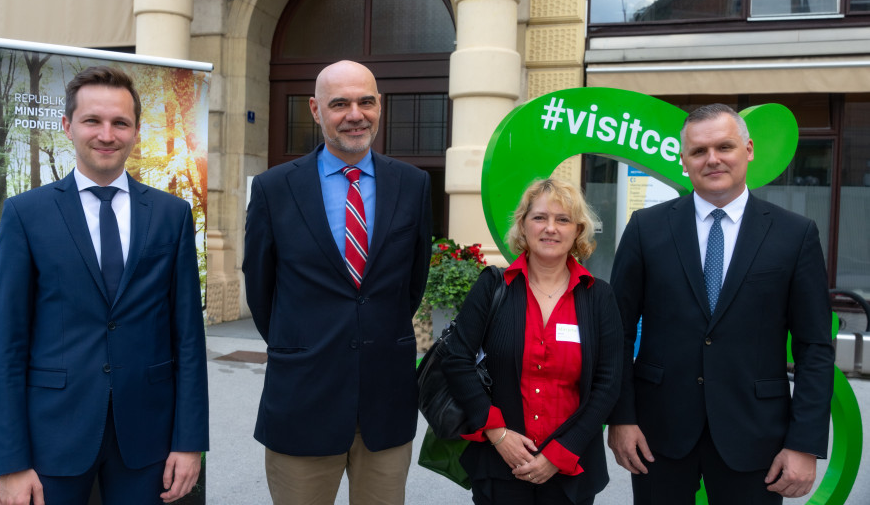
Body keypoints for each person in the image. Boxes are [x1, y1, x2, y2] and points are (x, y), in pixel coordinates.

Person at [0, 66, 209, 505]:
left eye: (120, 123)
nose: (106, 134)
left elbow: (188, 338)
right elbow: (7, 345)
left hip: (148, 438)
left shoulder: (171, 215)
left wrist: (190, 442)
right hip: (53, 437)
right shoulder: (26, 214)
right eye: (93, 121)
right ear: (68, 126)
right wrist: (12, 463)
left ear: (135, 131)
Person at [607, 103, 835, 504]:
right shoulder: (646, 229)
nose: (712, 159)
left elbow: (814, 347)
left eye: (724, 147)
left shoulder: (795, 235)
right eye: (698, 151)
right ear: (683, 160)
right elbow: (618, 333)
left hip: (757, 436)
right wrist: (622, 418)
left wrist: (805, 443)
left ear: (748, 149)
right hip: (658, 433)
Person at [242, 60, 432, 504]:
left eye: (366, 102)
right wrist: (303, 344)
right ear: (315, 109)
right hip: (302, 399)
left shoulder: (413, 184)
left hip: (386, 402)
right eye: (339, 103)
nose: (355, 114)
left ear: (379, 106)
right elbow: (261, 287)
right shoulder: (274, 189)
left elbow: (412, 283)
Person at [442, 178, 623, 505]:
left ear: (578, 231)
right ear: (523, 226)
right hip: (499, 466)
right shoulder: (492, 287)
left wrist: (561, 452)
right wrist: (497, 433)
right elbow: (457, 359)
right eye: (539, 217)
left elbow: (608, 383)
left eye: (563, 219)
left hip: (571, 468)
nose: (550, 228)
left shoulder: (599, 297)